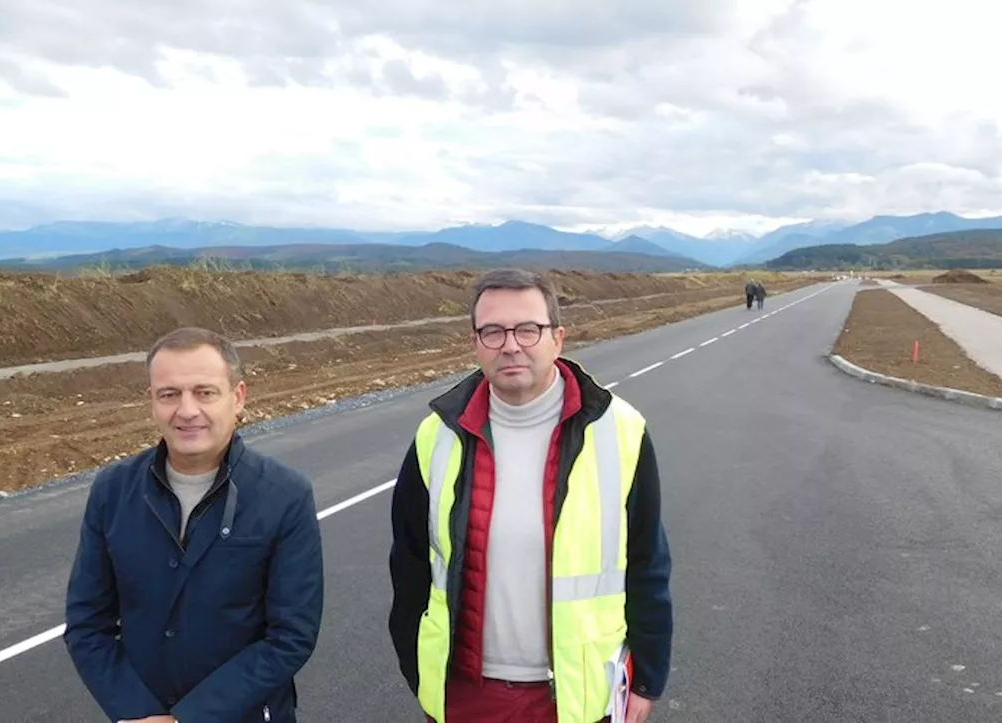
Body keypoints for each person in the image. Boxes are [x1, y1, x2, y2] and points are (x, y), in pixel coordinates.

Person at [387, 268, 673, 723]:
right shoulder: (435, 436)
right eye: (493, 332)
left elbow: (647, 563)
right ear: (475, 343)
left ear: (557, 338)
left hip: (576, 697)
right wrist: (418, 670)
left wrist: (647, 679)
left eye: (528, 329)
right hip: (465, 696)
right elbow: (410, 566)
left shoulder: (620, 431)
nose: (511, 345)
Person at [64, 327, 324, 723]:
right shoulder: (112, 491)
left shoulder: (284, 496)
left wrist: (192, 716)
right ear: (151, 401)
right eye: (169, 394)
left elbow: (291, 636)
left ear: (237, 398)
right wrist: (138, 712)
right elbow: (87, 624)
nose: (187, 411)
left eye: (204, 392)